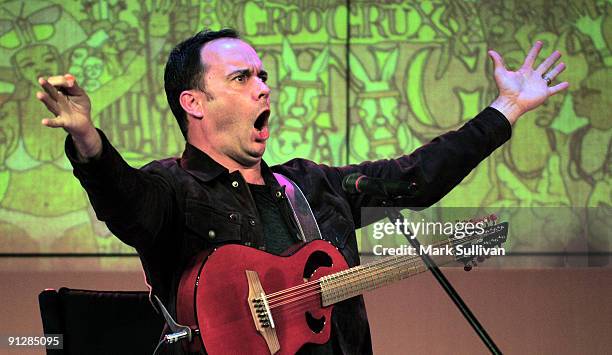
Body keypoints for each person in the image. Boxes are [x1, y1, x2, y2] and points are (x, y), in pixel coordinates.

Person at [35, 29, 568, 354]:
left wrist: (507, 110)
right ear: (194, 102)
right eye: (242, 78)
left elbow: (415, 177)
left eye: (263, 75)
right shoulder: (170, 189)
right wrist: (88, 139)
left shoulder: (311, 186)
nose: (264, 86)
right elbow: (125, 202)